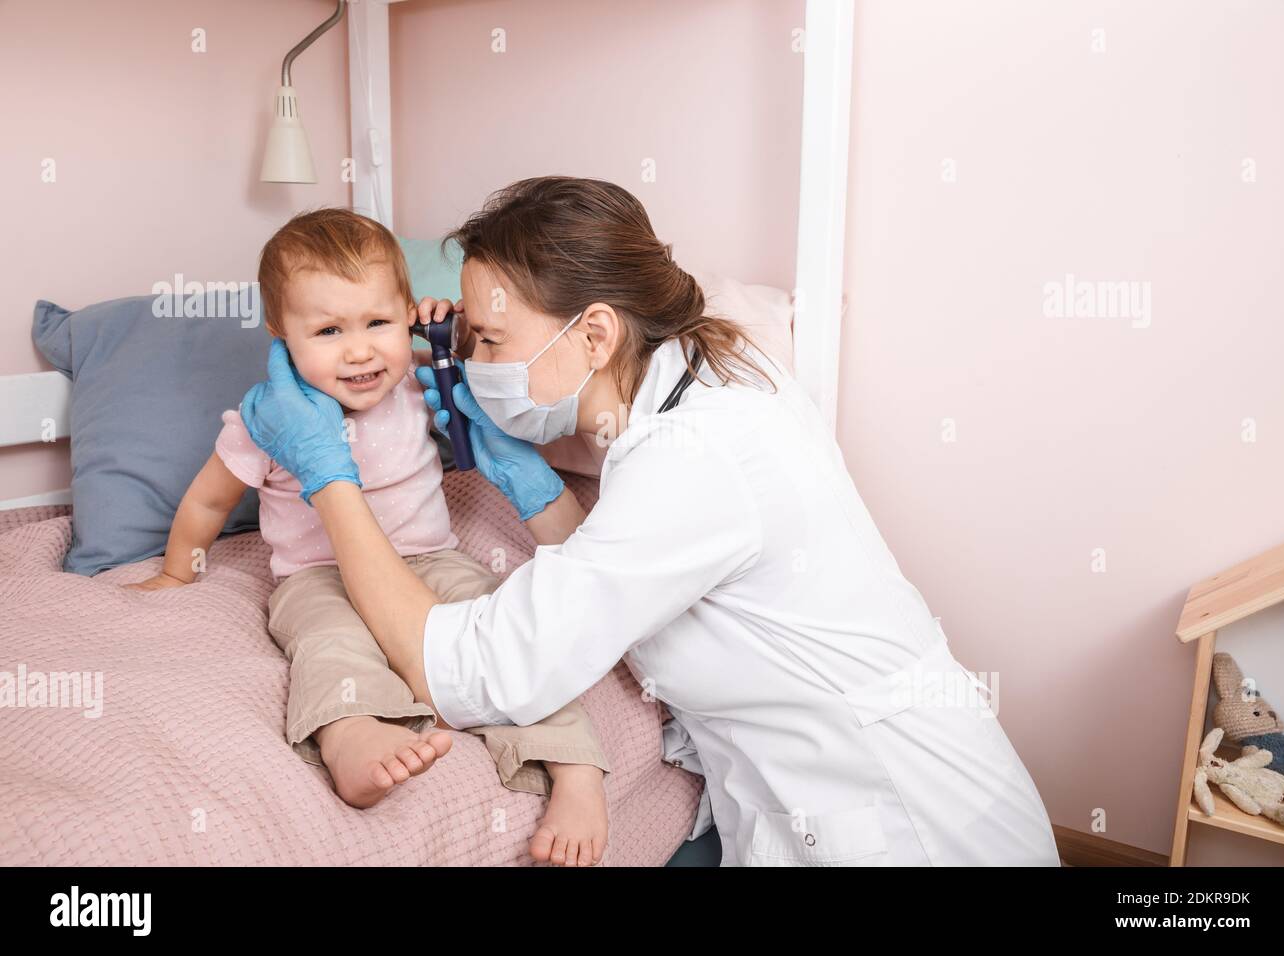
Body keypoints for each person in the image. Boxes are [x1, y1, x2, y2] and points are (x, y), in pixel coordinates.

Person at [237, 177, 1061, 866]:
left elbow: (479, 671)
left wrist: (329, 478)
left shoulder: (698, 454)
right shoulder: (706, 370)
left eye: (488, 341)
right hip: (825, 799)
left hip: (906, 828)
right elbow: (643, 572)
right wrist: (543, 498)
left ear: (593, 332)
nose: (473, 367)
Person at [128, 208, 611, 865]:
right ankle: (352, 737)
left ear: (407, 314)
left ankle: (575, 770)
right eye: (328, 330)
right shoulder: (271, 415)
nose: (359, 351)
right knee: (330, 647)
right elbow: (210, 499)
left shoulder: (418, 380)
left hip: (431, 561)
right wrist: (178, 572)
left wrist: (450, 334)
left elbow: (491, 366)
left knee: (510, 634)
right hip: (315, 576)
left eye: (378, 323)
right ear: (281, 333)